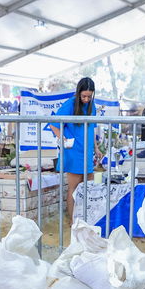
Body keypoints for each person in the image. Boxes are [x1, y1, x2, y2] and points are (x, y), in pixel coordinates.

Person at [48, 77, 102, 221]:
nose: (86, 99)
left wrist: (96, 148)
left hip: (87, 151)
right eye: (83, 96)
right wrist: (62, 138)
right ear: (78, 93)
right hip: (73, 151)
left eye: (89, 96)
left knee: (89, 186)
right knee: (73, 187)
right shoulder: (70, 104)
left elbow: (92, 129)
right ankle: (72, 221)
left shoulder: (92, 106)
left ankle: (86, 219)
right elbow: (53, 124)